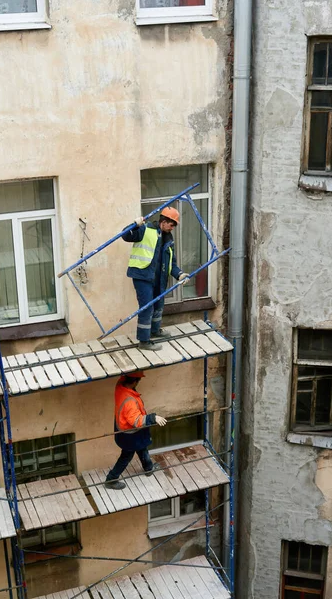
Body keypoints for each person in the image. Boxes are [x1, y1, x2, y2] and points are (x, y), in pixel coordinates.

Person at [123, 207, 189, 351]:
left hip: (159, 277)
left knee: (158, 305)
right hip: (143, 276)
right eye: (171, 225)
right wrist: (134, 225)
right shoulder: (145, 230)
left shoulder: (168, 239)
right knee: (147, 307)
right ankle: (144, 340)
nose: (172, 228)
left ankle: (155, 331)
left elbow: (172, 263)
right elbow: (126, 236)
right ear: (164, 222)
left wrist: (180, 275)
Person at [105, 371, 167, 490]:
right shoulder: (129, 402)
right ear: (134, 382)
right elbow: (137, 421)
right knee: (126, 456)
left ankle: (148, 468)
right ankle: (111, 479)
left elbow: (124, 377)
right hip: (130, 434)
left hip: (125, 430)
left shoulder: (120, 386)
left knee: (142, 447)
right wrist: (153, 418)